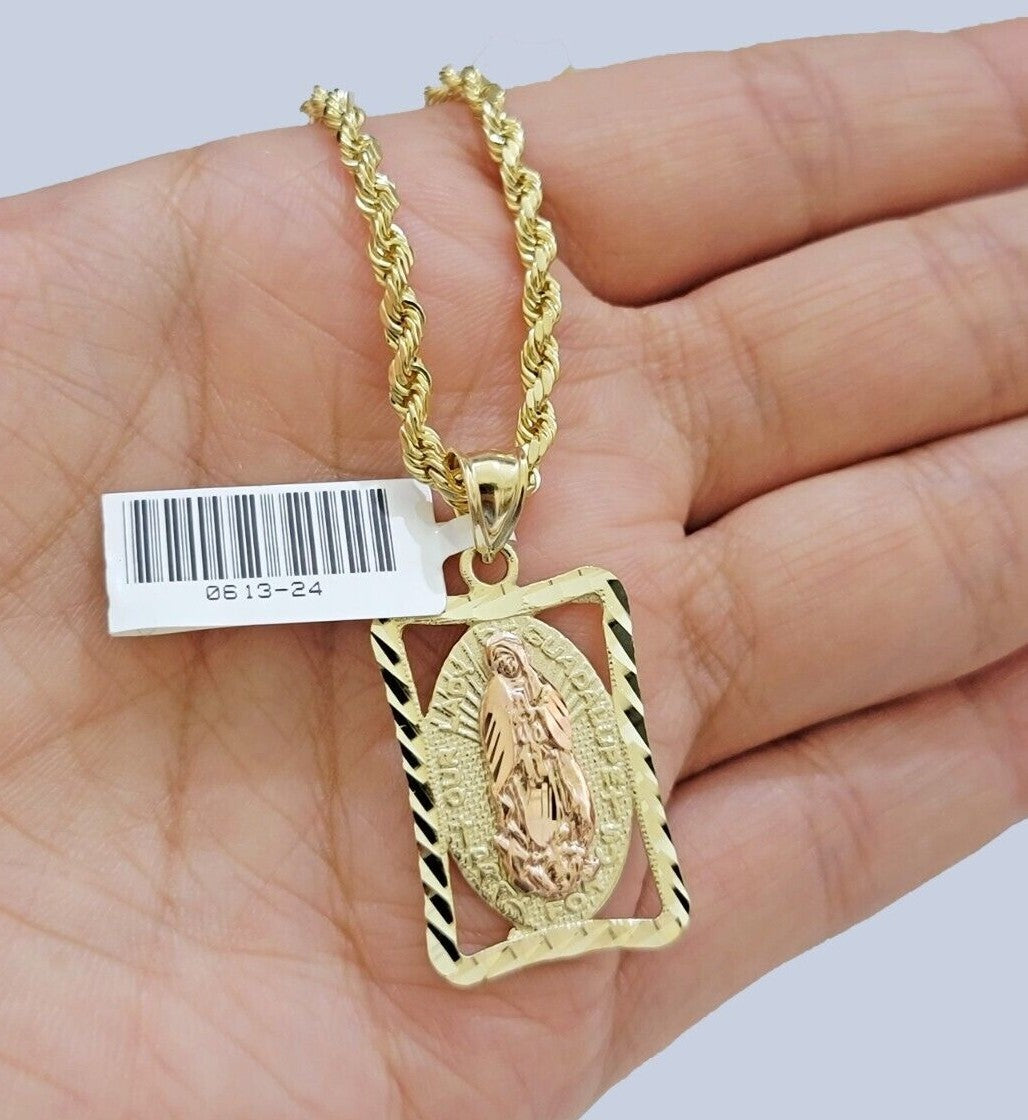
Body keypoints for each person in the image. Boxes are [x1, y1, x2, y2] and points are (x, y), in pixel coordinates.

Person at [0, 17, 1025, 1119]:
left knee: (556, 781)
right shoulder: (490, 680)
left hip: (547, 778)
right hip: (500, 786)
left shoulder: (528, 660)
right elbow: (501, 742)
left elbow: (541, 741)